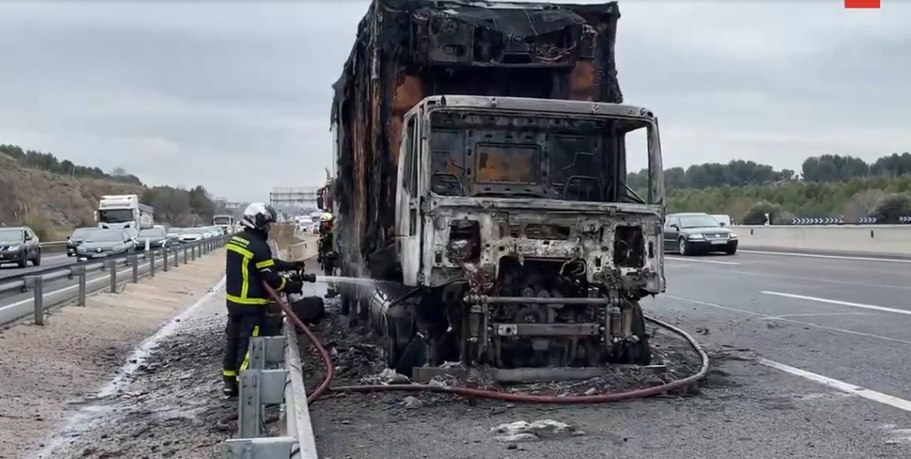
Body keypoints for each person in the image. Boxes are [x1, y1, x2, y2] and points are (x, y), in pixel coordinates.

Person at [222, 202, 311, 396]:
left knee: (233, 339)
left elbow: (265, 264)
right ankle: (242, 381)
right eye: (267, 224)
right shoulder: (259, 246)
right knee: (248, 342)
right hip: (251, 304)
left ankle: (228, 381)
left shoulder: (237, 240)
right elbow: (270, 277)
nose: (269, 228)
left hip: (234, 302)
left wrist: (289, 265)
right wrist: (291, 286)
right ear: (258, 222)